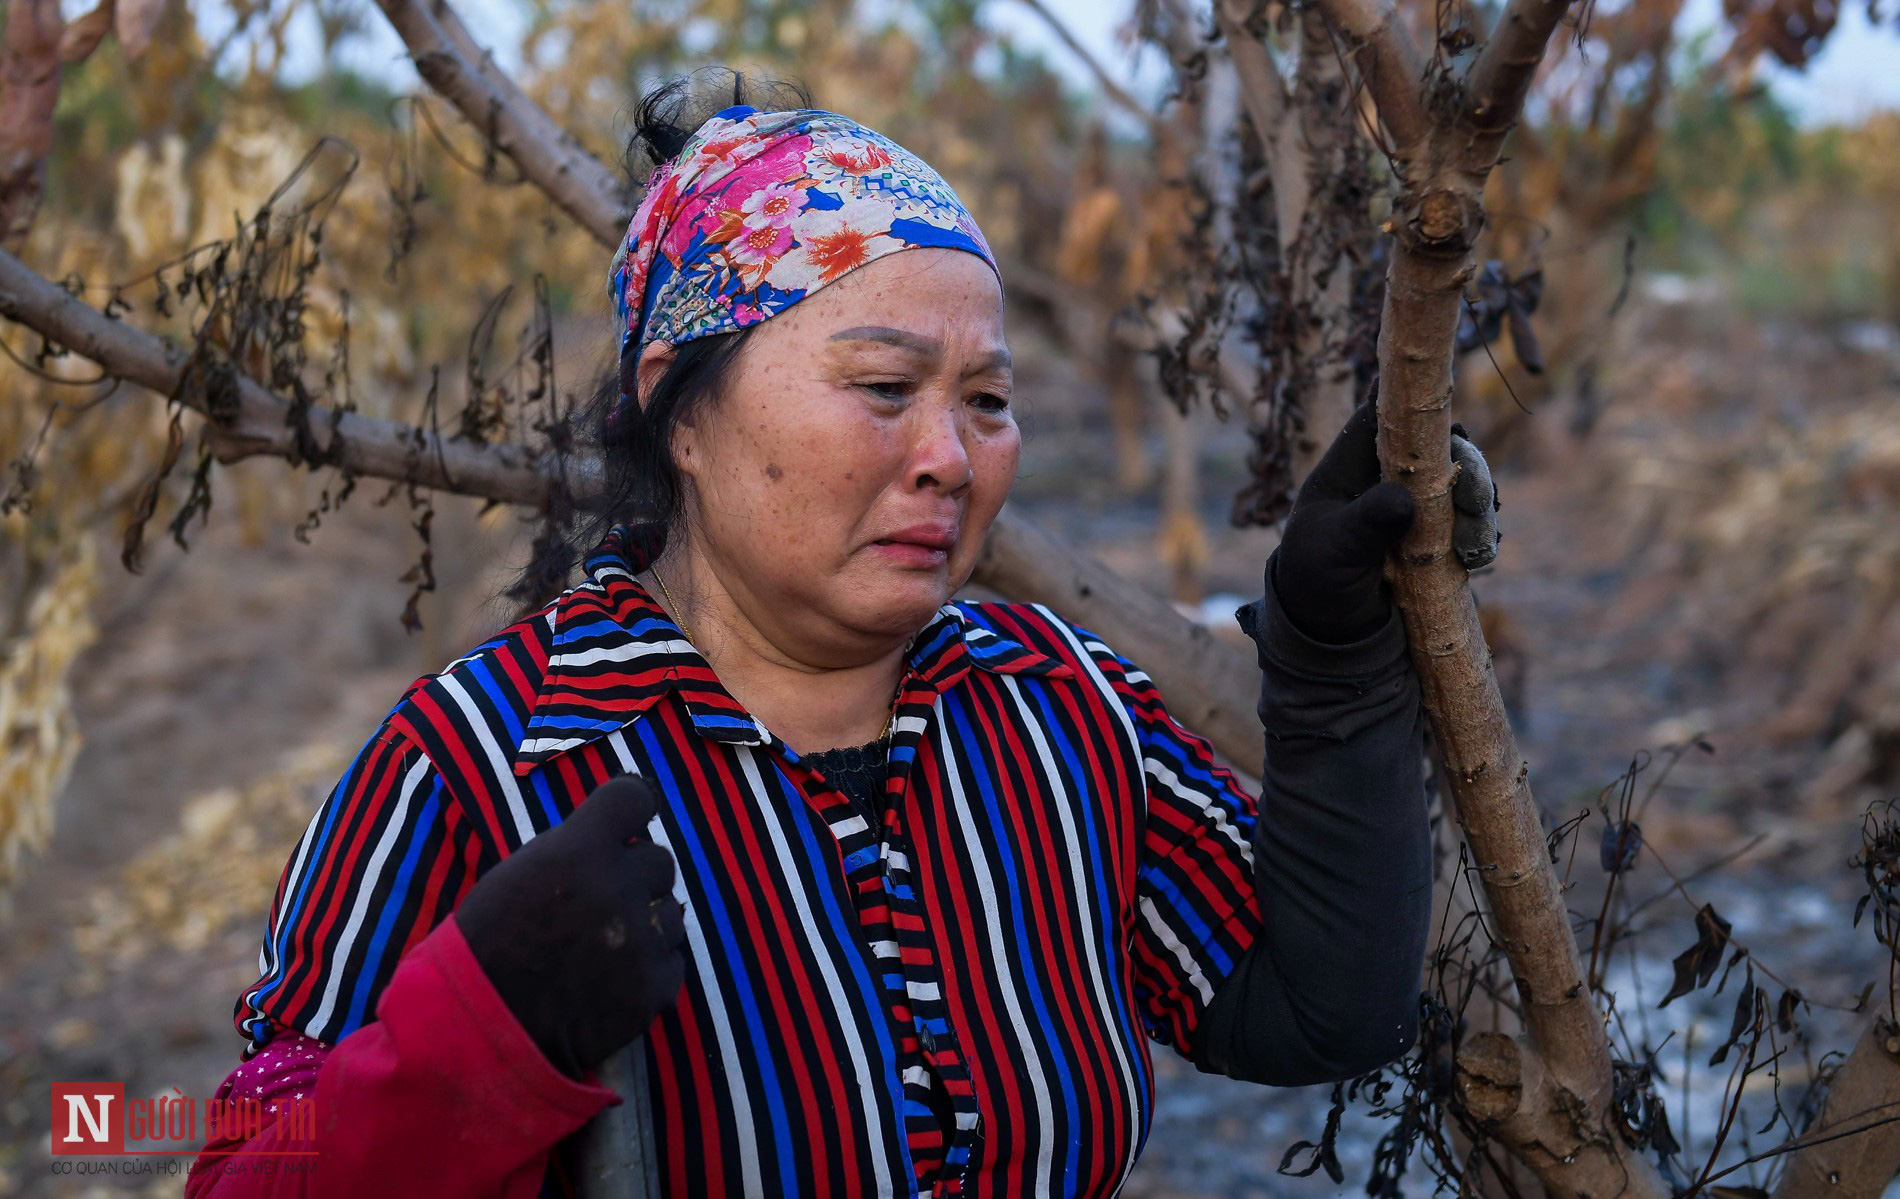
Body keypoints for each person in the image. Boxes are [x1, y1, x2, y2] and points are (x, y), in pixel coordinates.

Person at [187, 76, 1496, 1199]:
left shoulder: (1056, 707)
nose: (948, 456)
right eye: (882, 388)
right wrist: (479, 1035)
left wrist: (1330, 659)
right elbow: (238, 1162)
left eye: (986, 400)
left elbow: (1320, 1002)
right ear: (681, 417)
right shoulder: (487, 763)